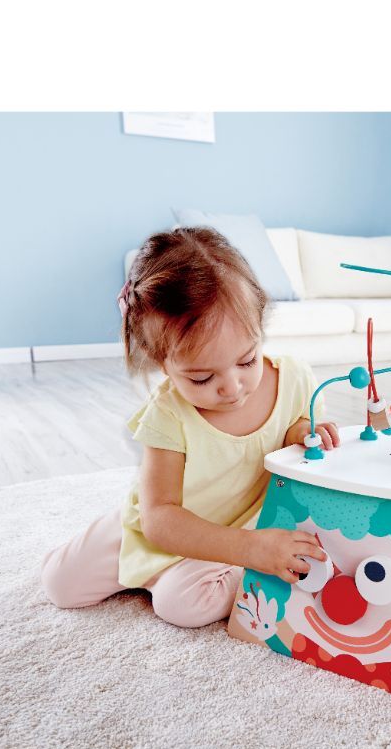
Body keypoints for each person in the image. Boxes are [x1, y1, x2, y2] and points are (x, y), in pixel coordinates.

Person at [41, 227, 338, 627]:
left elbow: (294, 423)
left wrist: (302, 433)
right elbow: (160, 519)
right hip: (163, 528)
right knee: (59, 584)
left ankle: (205, 573)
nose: (232, 387)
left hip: (230, 532)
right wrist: (250, 549)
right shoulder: (168, 414)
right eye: (201, 377)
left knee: (181, 606)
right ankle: (153, 569)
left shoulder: (294, 379)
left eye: (247, 361)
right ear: (162, 364)